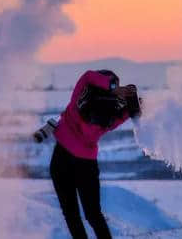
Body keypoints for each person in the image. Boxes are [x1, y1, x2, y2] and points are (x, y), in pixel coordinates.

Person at [50, 69, 141, 239]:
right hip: (85, 164)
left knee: (72, 215)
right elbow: (115, 121)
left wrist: (112, 88)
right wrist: (131, 107)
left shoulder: (80, 96)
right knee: (93, 215)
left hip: (62, 158)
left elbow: (88, 76)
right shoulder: (109, 114)